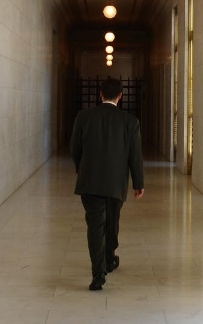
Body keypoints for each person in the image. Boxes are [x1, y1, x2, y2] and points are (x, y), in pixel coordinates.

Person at [71, 77, 144, 291]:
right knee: (112, 221)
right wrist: (138, 182)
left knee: (95, 226)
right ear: (120, 96)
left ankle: (98, 273)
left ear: (100, 94)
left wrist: (82, 168)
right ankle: (110, 257)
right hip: (115, 183)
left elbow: (75, 148)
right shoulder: (130, 121)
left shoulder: (84, 117)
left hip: (90, 182)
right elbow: (135, 155)